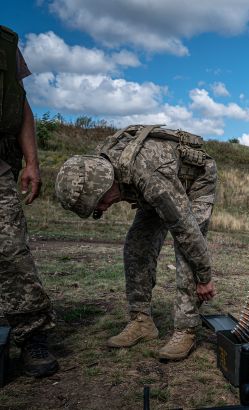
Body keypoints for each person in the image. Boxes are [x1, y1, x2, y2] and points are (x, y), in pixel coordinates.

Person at [55, 125, 217, 361]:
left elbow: (186, 231)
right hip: (159, 182)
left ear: (107, 185)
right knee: (136, 245)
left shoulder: (150, 176)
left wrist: (205, 277)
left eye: (100, 202)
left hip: (195, 181)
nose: (102, 208)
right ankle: (142, 321)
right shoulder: (100, 165)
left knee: (186, 253)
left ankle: (186, 329)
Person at [0, 25, 59, 377]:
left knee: (10, 251)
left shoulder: (5, 44)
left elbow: (19, 102)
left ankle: (32, 334)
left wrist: (32, 163)